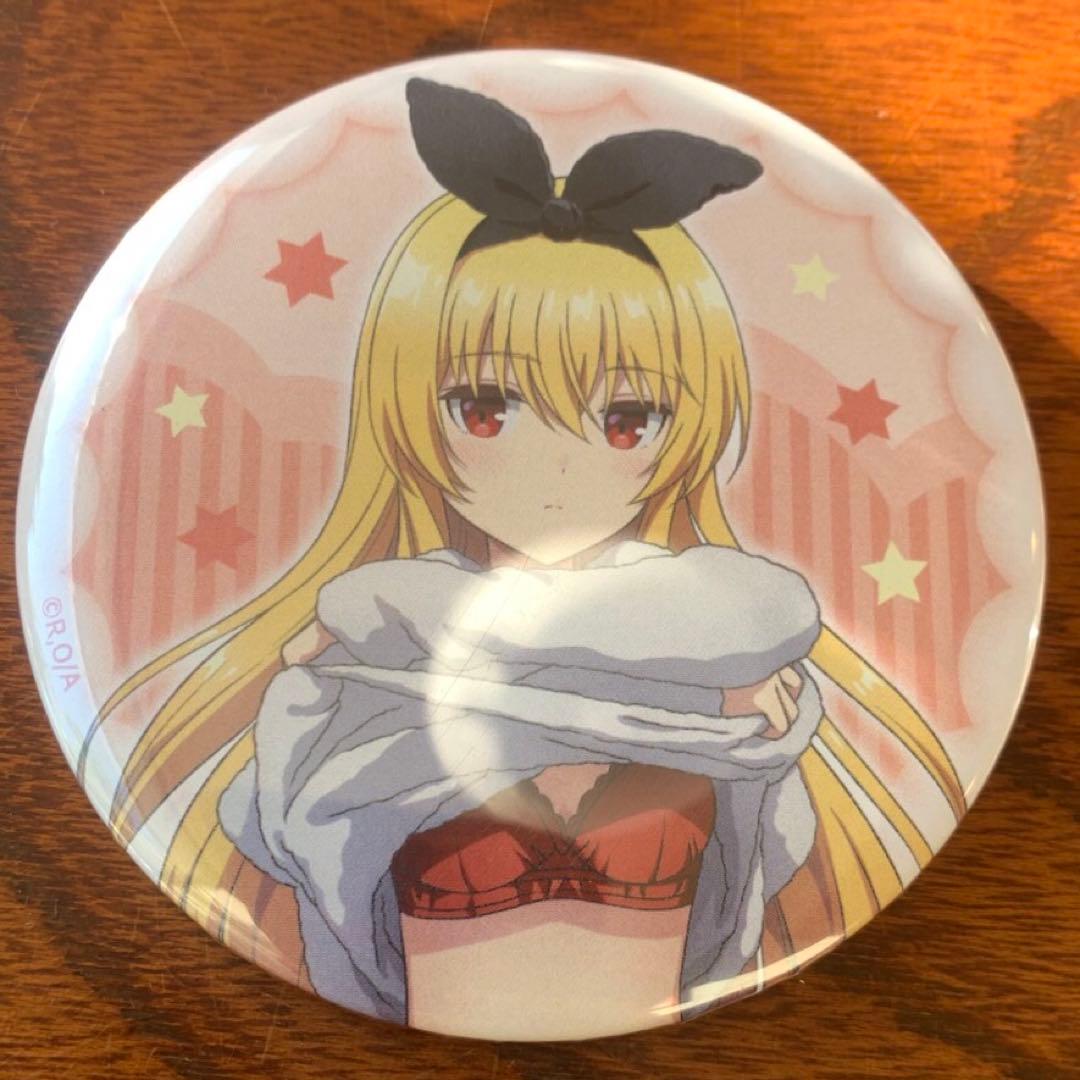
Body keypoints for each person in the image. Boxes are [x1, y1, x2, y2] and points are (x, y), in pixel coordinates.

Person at [81, 78, 965, 1040]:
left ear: (690, 428)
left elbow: (756, 640)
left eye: (627, 418)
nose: (556, 468)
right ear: (407, 412)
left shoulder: (721, 652)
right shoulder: (361, 672)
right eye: (486, 408)